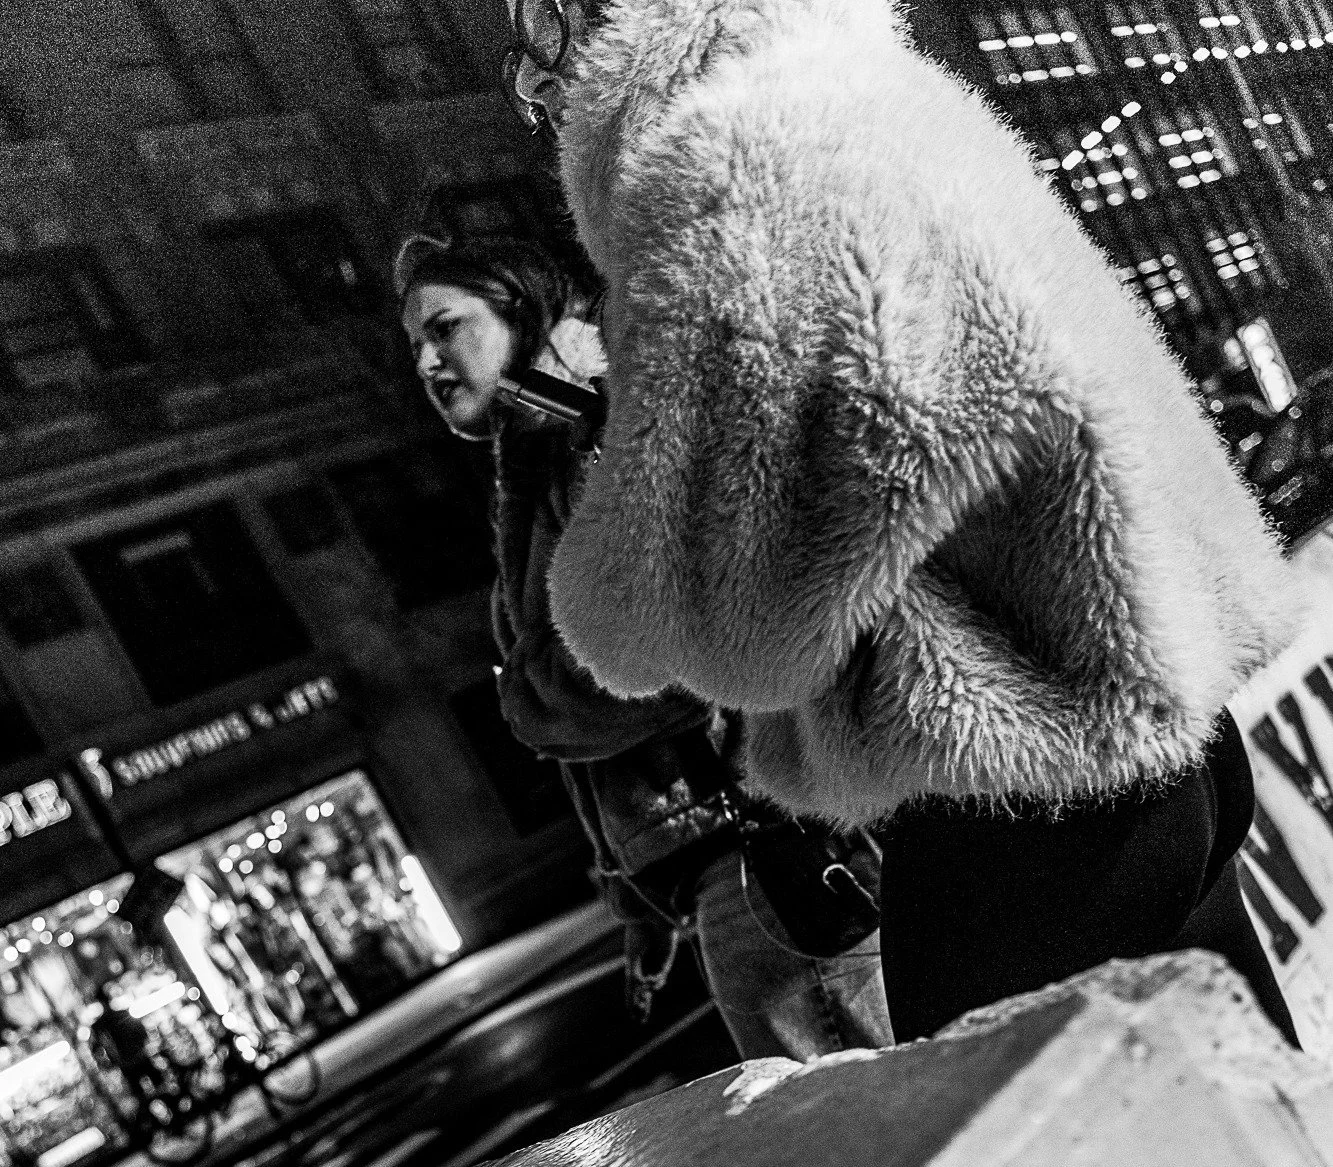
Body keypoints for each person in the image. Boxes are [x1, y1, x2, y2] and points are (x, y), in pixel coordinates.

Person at [501, 0, 1305, 1044]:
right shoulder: (878, 89)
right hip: (1167, 740)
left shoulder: (721, 170)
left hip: (1013, 787)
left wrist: (587, 474)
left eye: (539, 53)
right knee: (1253, 1152)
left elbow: (721, 616)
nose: (536, 96)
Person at [395, 228, 893, 1059]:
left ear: (522, 314)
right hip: (731, 863)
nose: (425, 362)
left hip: (765, 852)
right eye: (415, 342)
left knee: (875, 1136)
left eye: (445, 327)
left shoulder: (592, 434)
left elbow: (687, 646)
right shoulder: (540, 456)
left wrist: (528, 698)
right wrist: (635, 902)